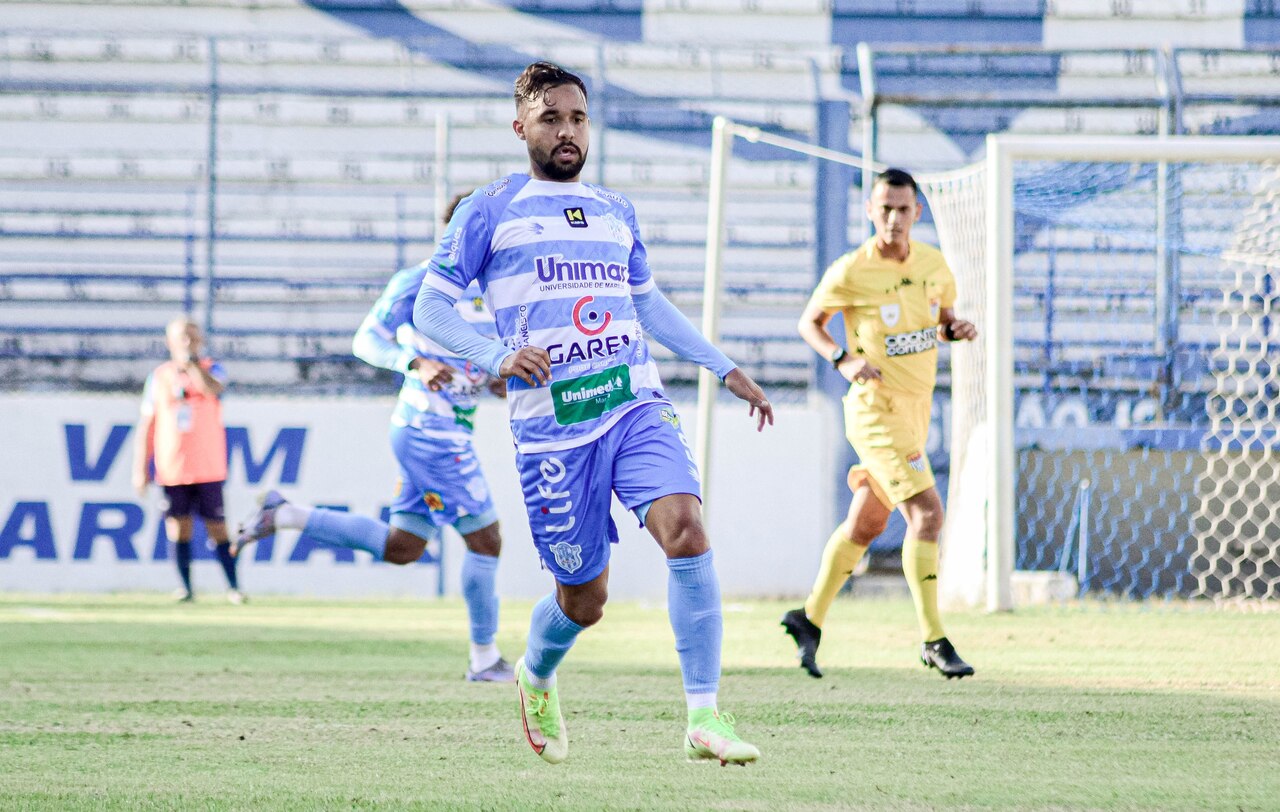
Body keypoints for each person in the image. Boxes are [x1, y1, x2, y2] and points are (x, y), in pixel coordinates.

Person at [412, 62, 775, 766]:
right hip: (552, 432)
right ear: (521, 127)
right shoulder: (487, 210)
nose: (567, 130)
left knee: (687, 530)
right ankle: (536, 674)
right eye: (551, 118)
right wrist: (494, 354)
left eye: (577, 117)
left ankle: (704, 715)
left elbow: (646, 304)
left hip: (633, 403)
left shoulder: (614, 210)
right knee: (584, 599)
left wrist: (722, 366)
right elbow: (429, 307)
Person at [233, 197, 516, 683]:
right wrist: (414, 362)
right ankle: (484, 658)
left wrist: (497, 378)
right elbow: (365, 340)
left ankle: (285, 513)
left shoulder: (494, 292)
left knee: (402, 546)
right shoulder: (419, 282)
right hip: (429, 429)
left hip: (450, 427)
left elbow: (481, 364)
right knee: (486, 540)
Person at [780, 168, 978, 681]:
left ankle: (808, 618)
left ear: (917, 213)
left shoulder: (935, 265)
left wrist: (955, 328)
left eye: (903, 208)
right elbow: (810, 323)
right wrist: (843, 359)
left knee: (866, 524)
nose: (893, 217)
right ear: (870, 211)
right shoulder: (851, 270)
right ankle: (934, 638)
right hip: (874, 412)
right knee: (927, 516)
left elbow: (942, 320)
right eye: (884, 208)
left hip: (914, 412)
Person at [132, 316, 243, 603]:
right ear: (169, 341)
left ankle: (233, 586)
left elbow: (213, 390)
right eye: (181, 337)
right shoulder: (158, 377)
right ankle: (186, 588)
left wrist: (192, 365)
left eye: (192, 336)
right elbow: (148, 424)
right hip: (172, 468)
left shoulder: (212, 369)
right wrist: (141, 468)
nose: (187, 342)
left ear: (201, 341)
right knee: (178, 527)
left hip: (208, 467)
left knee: (218, 527)